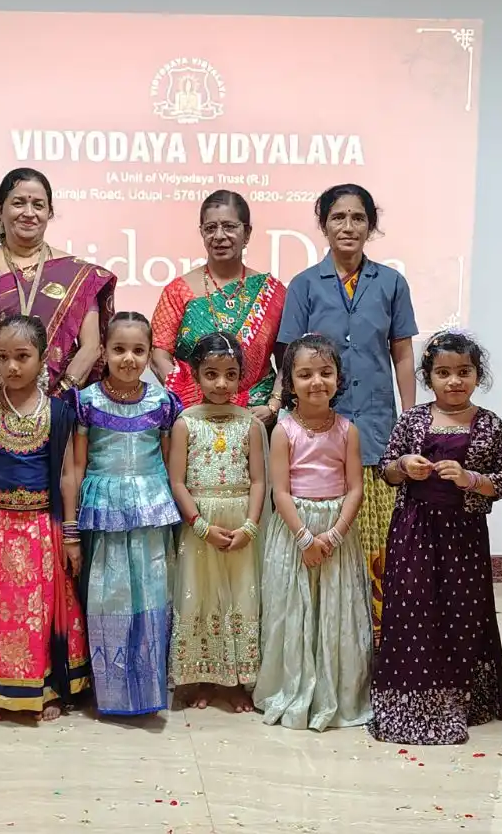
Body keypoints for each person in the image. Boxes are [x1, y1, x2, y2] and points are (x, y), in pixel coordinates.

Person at [277, 184, 417, 640]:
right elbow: (290, 356)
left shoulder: (392, 283)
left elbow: (401, 354)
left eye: (359, 218)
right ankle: (328, 645)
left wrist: (412, 418)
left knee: (376, 546)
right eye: (338, 217)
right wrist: (281, 409)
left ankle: (378, 647)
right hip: (318, 432)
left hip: (376, 428)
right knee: (330, 550)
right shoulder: (303, 285)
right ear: (324, 224)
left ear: (370, 226)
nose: (349, 227)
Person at [370, 329, 502, 745]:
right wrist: (404, 465)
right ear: (428, 377)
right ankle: (411, 695)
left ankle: (468, 698)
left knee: (463, 611)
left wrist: (472, 479)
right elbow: (385, 470)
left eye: (464, 372)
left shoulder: (490, 424)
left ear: (477, 375)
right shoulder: (412, 419)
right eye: (443, 373)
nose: (455, 381)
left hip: (464, 535)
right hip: (414, 529)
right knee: (413, 607)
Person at [0, 315, 90, 722]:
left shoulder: (58, 412)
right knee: (0, 612)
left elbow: (68, 475)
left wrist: (70, 534)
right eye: (2, 357)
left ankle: (46, 690)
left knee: (42, 611)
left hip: (41, 529)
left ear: (43, 357)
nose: (12, 367)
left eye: (22, 356)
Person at [252, 334, 373, 731]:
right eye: (304, 374)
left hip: (337, 533)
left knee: (337, 613)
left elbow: (355, 487)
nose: (316, 382)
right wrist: (305, 539)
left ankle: (336, 692)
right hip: (295, 531)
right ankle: (290, 686)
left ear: (339, 378)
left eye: (325, 372)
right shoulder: (283, 431)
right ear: (289, 383)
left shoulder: (348, 430)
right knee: (293, 612)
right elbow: (279, 490)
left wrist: (334, 536)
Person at [75, 312, 182, 716]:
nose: (128, 359)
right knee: (108, 596)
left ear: (151, 353)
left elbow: (173, 465)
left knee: (153, 594)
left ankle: (149, 688)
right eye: (119, 349)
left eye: (139, 350)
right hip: (104, 509)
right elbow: (78, 466)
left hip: (151, 507)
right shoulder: (86, 402)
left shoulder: (163, 402)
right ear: (103, 351)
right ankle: (110, 692)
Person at [167, 332, 266, 711]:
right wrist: (200, 525)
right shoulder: (185, 423)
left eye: (230, 374)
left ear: (242, 375)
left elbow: (259, 479)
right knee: (200, 596)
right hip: (201, 528)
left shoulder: (250, 424)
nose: (221, 384)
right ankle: (202, 678)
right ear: (195, 375)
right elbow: (177, 480)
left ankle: (238, 682)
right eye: (211, 374)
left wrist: (251, 527)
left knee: (241, 598)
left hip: (241, 524)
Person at [0, 167, 116, 402]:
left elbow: (91, 346)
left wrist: (58, 395)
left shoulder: (76, 272)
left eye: (39, 205)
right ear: (0, 210)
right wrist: (8, 387)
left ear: (49, 213)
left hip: (59, 402)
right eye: (19, 203)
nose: (29, 213)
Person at [150, 190, 286, 418]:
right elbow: (159, 356)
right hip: (194, 418)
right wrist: (191, 398)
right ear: (201, 232)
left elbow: (287, 361)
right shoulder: (178, 291)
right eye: (210, 228)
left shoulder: (273, 291)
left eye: (230, 226)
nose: (219, 236)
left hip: (256, 418)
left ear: (247, 233)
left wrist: (273, 405)